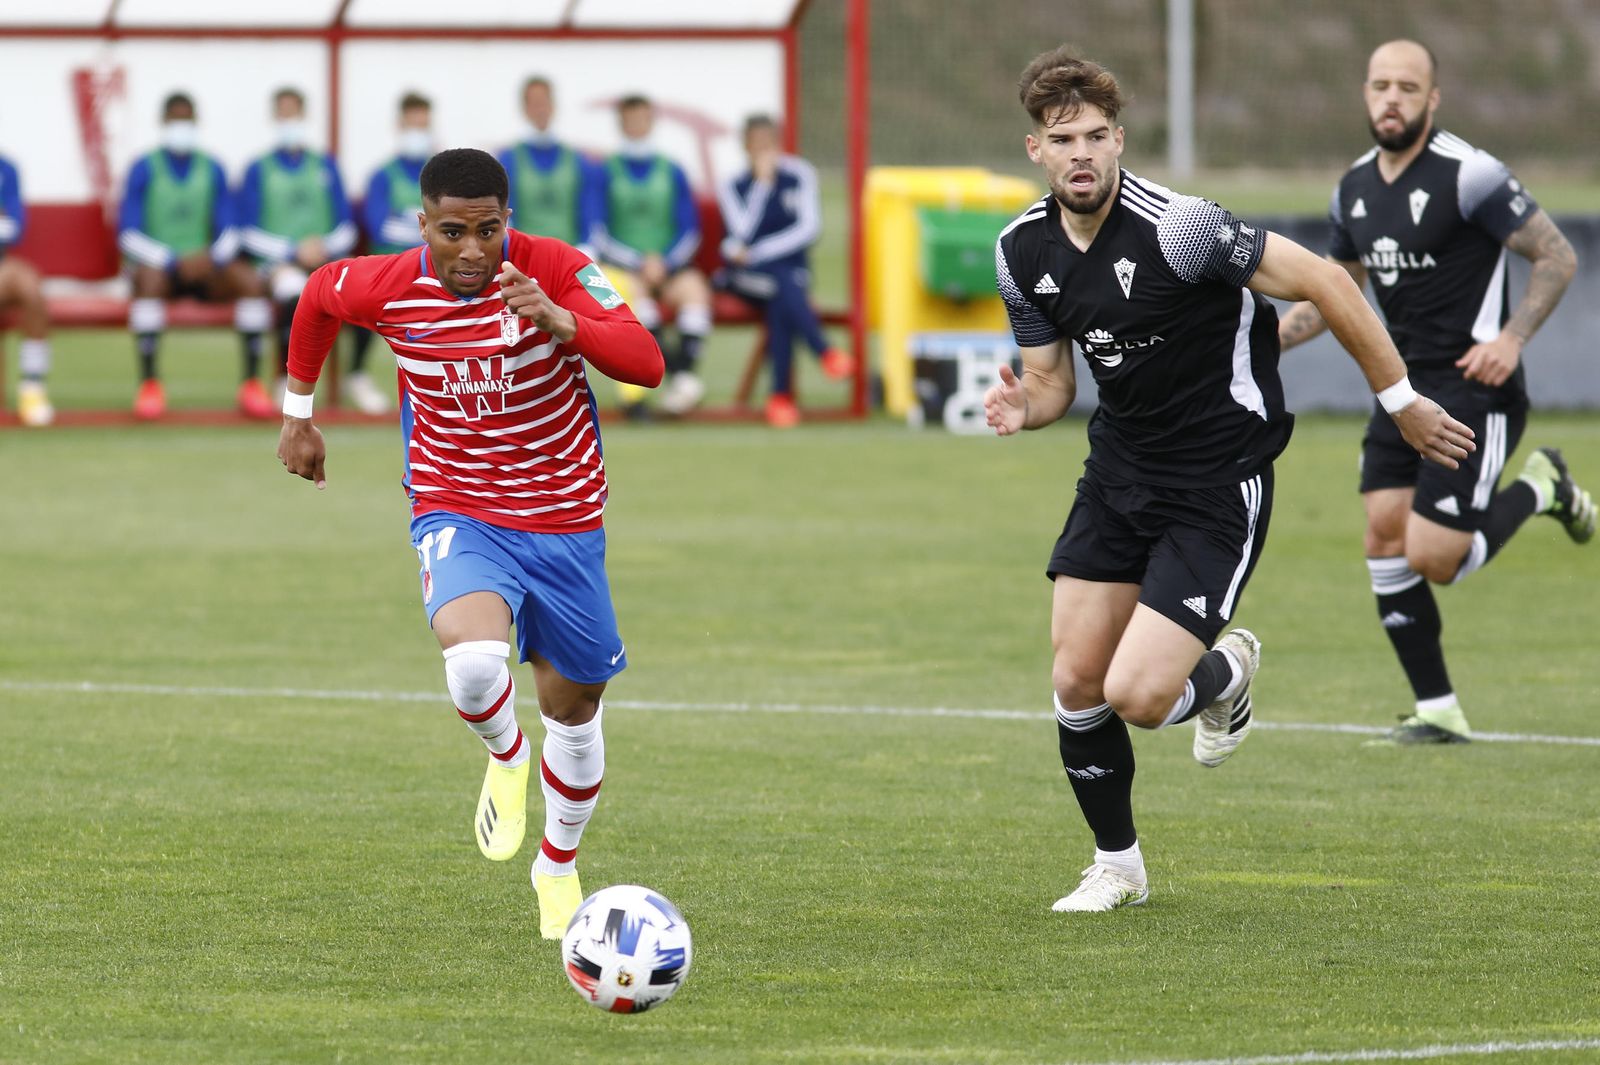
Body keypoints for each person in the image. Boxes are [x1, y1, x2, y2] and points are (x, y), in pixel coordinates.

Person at [984, 48, 1473, 912]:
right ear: (1038, 151)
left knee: (1138, 696)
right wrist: (1025, 408)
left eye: (1098, 135)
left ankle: (1225, 674)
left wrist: (1399, 399)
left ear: (1120, 139)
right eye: (1064, 140)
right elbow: (1055, 381)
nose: (1083, 153)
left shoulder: (1181, 227)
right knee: (1074, 681)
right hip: (1118, 472)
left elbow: (1325, 278)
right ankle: (1118, 867)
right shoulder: (1020, 250)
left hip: (1216, 480)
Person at [275, 148, 663, 939]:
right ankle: (506, 752)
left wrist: (564, 320)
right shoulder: (387, 285)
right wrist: (297, 412)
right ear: (423, 225)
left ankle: (557, 864)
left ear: (507, 222)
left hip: (564, 520)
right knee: (476, 664)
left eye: (489, 230)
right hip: (459, 509)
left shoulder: (556, 268)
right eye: (453, 231)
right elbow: (317, 297)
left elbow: (647, 362)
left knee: (576, 710)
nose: (473, 251)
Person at [1277, 40, 1593, 745]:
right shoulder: (1352, 188)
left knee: (1436, 558)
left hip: (1476, 387)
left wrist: (1510, 339)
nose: (1392, 98)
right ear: (1365, 93)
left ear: (1432, 99)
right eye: (1380, 85)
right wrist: (1265, 341)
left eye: (1407, 87)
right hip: (1400, 387)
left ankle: (1542, 485)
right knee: (1383, 536)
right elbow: (1337, 291)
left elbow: (1556, 254)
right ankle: (1438, 707)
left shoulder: (1470, 173)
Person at [118, 91, 273, 420]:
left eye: (186, 119)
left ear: (196, 123)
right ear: (163, 123)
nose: (181, 126)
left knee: (248, 281)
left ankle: (251, 383)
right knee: (148, 280)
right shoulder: (143, 168)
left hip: (204, 267)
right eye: (175, 119)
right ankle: (149, 384)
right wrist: (171, 260)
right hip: (159, 268)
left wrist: (212, 259)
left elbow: (230, 228)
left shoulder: (212, 167)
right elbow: (128, 233)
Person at [716, 114, 854, 428]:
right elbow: (741, 233)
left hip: (786, 273)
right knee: (782, 290)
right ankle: (823, 352)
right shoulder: (734, 185)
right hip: (744, 280)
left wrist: (758, 253)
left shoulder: (800, 174)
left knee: (781, 298)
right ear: (745, 147)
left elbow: (808, 229)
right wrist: (762, 187)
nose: (764, 151)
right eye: (757, 144)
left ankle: (780, 398)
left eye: (769, 143)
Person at [594, 94, 711, 416]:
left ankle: (683, 376)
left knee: (695, 291)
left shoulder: (672, 170)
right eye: (630, 121)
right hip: (627, 268)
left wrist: (666, 262)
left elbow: (690, 228)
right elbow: (599, 231)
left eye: (642, 120)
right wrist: (639, 262)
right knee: (634, 296)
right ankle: (677, 380)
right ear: (621, 125)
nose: (637, 127)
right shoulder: (606, 171)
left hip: (668, 265)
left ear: (651, 122)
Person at [237, 88, 356, 401]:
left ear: (305, 116)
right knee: (293, 294)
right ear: (274, 118)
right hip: (277, 265)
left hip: (324, 260)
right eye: (283, 114)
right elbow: (247, 231)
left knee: (360, 292)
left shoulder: (325, 165)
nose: (289, 120)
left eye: (294, 113)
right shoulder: (258, 169)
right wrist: (291, 251)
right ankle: (287, 378)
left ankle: (356, 376)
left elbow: (346, 226)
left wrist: (324, 247)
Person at [347, 92, 436, 414]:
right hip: (389, 267)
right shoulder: (382, 175)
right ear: (400, 125)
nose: (418, 131)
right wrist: (433, 230)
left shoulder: (440, 175)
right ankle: (356, 375)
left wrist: (417, 225)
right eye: (413, 124)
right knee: (366, 297)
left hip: (434, 268)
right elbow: (376, 224)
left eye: (424, 124)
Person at [497, 77, 599, 260]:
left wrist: (584, 252)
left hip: (569, 256)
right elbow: (505, 215)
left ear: (553, 106)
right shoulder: (508, 160)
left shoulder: (577, 160)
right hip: (524, 258)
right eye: (534, 103)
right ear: (524, 109)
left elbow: (590, 215)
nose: (540, 109)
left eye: (544, 102)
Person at [0, 149, 53, 426]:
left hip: (2, 263)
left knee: (31, 288)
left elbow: (15, 227)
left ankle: (32, 388)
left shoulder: (6, 168)